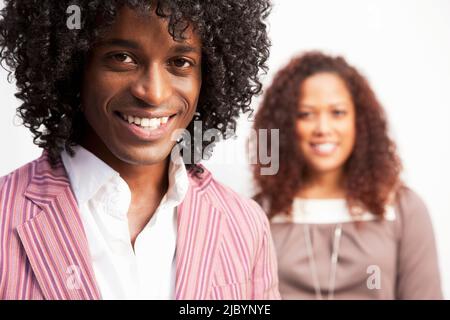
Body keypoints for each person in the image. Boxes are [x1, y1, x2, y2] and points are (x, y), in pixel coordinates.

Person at [0, 0, 280, 300]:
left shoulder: (245, 224)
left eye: (180, 62)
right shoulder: (6, 216)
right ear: (73, 66)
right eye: (122, 58)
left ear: (208, 76)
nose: (153, 93)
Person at [252, 51, 442, 299]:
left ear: (359, 122)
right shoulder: (259, 213)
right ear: (285, 125)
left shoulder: (404, 209)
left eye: (338, 113)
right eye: (306, 114)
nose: (323, 128)